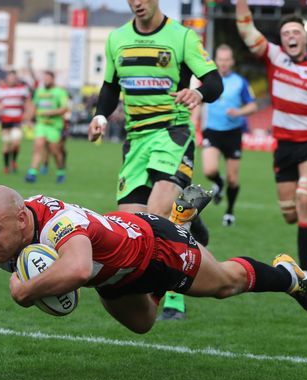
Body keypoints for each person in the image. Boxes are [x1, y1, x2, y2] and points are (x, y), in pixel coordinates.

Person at [0, 185, 307, 366]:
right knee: (144, 323)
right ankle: (182, 216)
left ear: (21, 222)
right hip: (115, 276)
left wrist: (25, 290)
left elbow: (78, 268)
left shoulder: (60, 221)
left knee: (225, 284)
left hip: (154, 248)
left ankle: (288, 275)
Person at [87, 0, 224, 320]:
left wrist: (199, 93)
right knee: (131, 231)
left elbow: (215, 81)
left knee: (160, 215)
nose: (136, 3)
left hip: (173, 134)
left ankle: (172, 295)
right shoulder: (117, 39)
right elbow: (109, 87)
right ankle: (191, 222)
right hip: (135, 142)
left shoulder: (183, 37)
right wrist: (101, 118)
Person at [235, 0, 307, 274]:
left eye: (296, 32)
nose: (291, 37)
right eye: (286, 34)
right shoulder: (274, 56)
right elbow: (247, 29)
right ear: (281, 39)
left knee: (305, 199)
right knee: (289, 214)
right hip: (284, 145)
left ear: (305, 36)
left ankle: (305, 272)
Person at [198, 44, 258, 227]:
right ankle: (218, 182)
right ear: (215, 60)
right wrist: (194, 122)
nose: (223, 63)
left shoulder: (240, 82)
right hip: (212, 131)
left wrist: (239, 112)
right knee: (209, 170)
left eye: (227, 59)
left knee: (233, 178)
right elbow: (198, 102)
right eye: (220, 59)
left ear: (231, 62)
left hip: (233, 133)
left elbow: (253, 105)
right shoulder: (208, 81)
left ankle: (229, 212)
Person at [25, 71, 69, 184]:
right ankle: (32, 173)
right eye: (44, 79)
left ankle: (60, 171)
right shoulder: (39, 91)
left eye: (48, 79)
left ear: (53, 79)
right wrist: (29, 119)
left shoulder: (60, 92)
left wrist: (51, 112)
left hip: (54, 126)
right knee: (38, 146)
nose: (46, 81)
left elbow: (64, 108)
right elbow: (34, 106)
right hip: (41, 125)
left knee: (55, 151)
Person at [0, 70, 30, 174]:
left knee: (16, 143)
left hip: (17, 120)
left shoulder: (22, 89)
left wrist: (28, 115)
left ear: (16, 78)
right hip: (5, 120)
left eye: (13, 77)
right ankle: (6, 166)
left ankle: (13, 161)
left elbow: (28, 102)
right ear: (7, 78)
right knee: (6, 144)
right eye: (10, 77)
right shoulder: (0, 89)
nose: (11, 79)